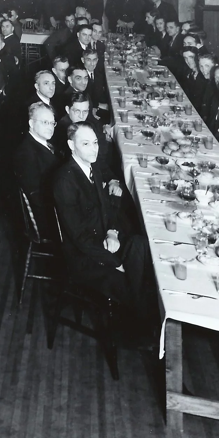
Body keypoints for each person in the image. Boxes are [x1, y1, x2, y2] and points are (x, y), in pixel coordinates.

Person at [53, 123, 154, 339]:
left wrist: (112, 232)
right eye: (86, 144)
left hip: (104, 239)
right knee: (132, 282)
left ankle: (139, 319)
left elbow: (107, 208)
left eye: (96, 142)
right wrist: (115, 263)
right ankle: (142, 331)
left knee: (140, 245)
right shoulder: (65, 180)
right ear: (72, 145)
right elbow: (79, 238)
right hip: (84, 257)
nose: (93, 148)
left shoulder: (94, 168)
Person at [13, 102, 62, 240]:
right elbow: (37, 198)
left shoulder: (43, 143)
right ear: (31, 123)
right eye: (45, 122)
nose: (50, 127)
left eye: (52, 123)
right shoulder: (25, 154)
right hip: (50, 220)